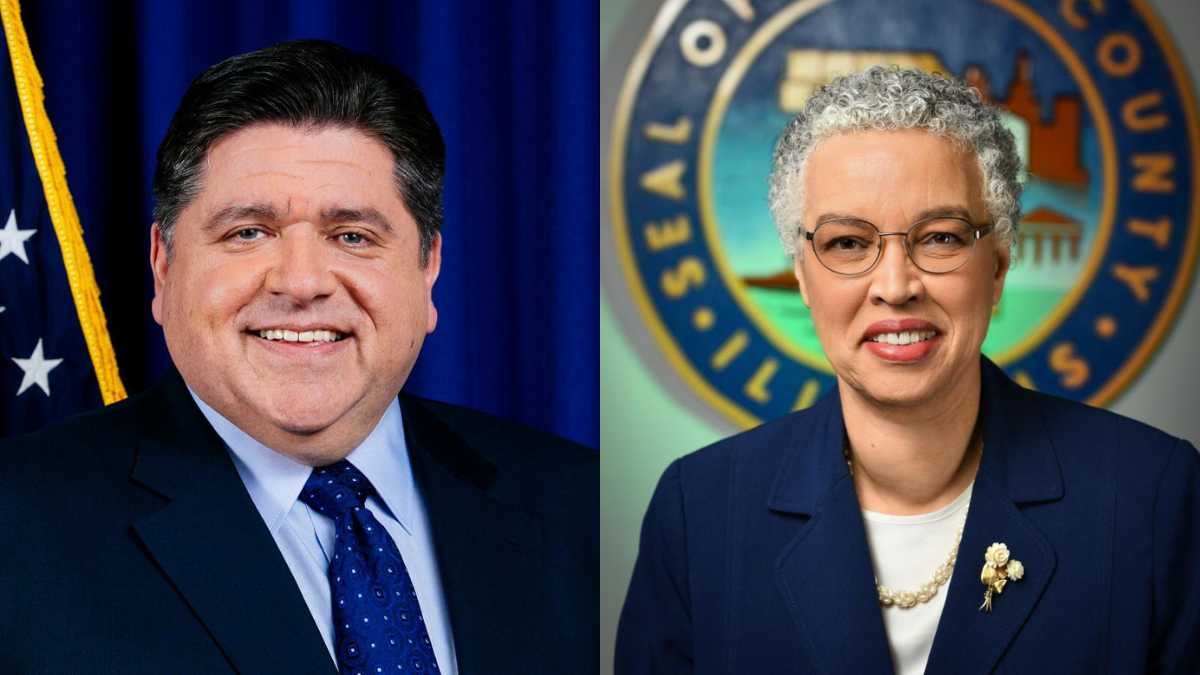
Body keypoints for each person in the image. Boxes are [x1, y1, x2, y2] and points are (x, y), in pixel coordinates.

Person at [0, 40, 597, 674]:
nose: (302, 281)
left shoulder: (587, 510)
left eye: (352, 236)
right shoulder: (16, 531)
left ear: (428, 271)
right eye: (248, 233)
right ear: (164, 265)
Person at [615, 67, 1199, 674]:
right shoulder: (700, 511)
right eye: (847, 244)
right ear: (801, 275)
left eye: (940, 238)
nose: (895, 287)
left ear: (997, 268)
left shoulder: (1152, 498)